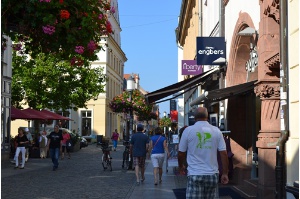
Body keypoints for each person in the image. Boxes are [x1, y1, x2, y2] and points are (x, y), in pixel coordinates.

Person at [178, 107, 229, 199]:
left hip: (195, 174)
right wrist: (225, 173)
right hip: (212, 175)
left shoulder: (188, 131)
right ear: (207, 116)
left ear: (194, 117)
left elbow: (181, 153)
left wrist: (181, 166)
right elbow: (224, 153)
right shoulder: (217, 131)